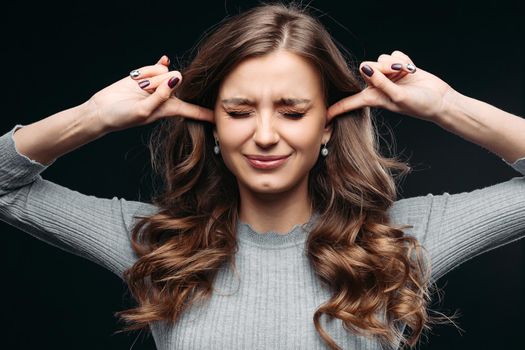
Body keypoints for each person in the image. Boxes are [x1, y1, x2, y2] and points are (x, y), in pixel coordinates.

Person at [1, 2, 524, 350]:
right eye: (240, 110)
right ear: (210, 125)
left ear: (327, 126)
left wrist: (446, 106)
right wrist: (94, 116)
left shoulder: (402, 240)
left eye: (294, 111)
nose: (266, 135)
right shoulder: (157, 244)